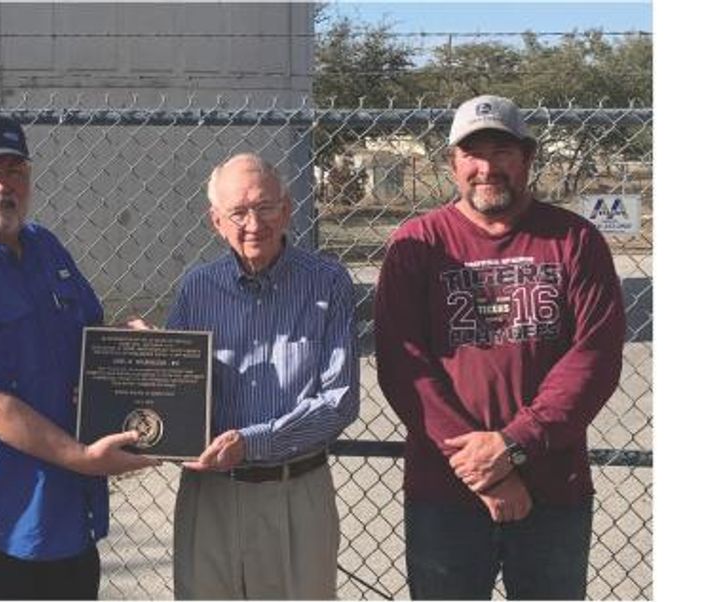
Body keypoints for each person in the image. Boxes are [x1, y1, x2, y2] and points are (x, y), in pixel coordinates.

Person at [374, 94, 626, 599]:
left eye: (502, 152)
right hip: (446, 490)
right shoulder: (417, 244)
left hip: (551, 487)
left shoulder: (575, 240)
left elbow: (594, 356)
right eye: (472, 153)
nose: (487, 168)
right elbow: (404, 367)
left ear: (528, 158)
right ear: (452, 163)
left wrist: (514, 445)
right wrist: (484, 470)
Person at [0, 114, 159, 600]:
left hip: (63, 519)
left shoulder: (46, 250)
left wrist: (127, 344)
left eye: (16, 170)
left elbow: (86, 343)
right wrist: (81, 457)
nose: (3, 185)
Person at [158, 153, 359, 599]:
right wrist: (147, 362)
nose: (254, 223)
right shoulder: (197, 288)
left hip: (295, 492)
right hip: (209, 494)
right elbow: (176, 389)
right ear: (216, 221)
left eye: (266, 207)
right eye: (238, 212)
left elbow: (339, 401)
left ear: (287, 209)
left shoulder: (327, 283)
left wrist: (252, 441)